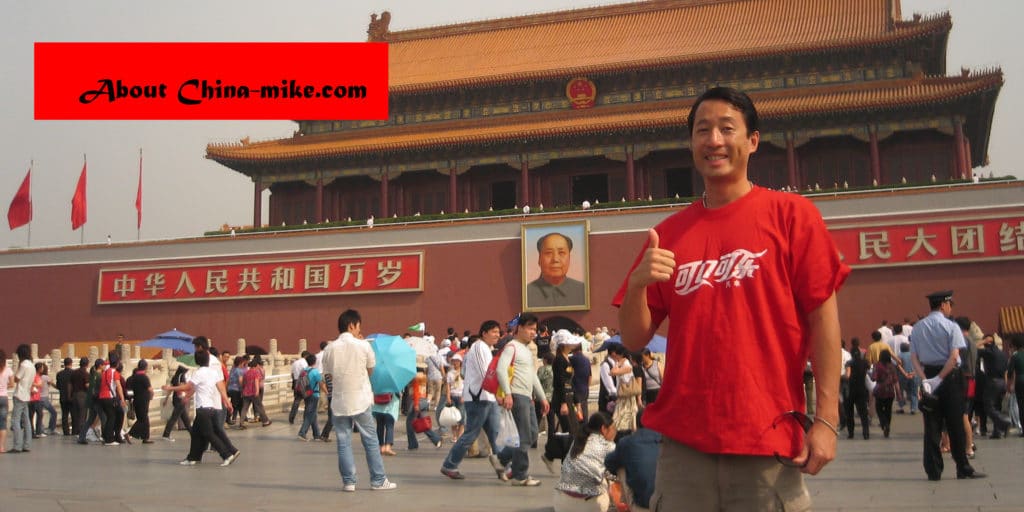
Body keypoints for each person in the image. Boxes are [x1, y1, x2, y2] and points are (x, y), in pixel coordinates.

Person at [615, 86, 848, 510]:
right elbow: (633, 337)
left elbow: (824, 320)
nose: (714, 141)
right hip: (684, 449)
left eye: (727, 128)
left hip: (767, 441)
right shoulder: (668, 235)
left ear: (753, 141)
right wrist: (636, 286)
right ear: (691, 144)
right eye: (703, 130)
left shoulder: (792, 216)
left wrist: (827, 421)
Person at [909, 290, 984, 480]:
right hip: (950, 378)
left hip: (929, 376)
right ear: (943, 305)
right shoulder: (951, 326)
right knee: (955, 424)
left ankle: (933, 470)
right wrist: (940, 378)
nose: (950, 308)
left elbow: (914, 358)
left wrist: (926, 379)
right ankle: (962, 466)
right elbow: (954, 357)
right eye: (950, 305)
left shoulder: (918, 328)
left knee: (931, 425)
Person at [321, 308, 397, 491]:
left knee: (343, 441)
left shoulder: (329, 348)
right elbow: (371, 370)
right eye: (358, 326)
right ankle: (378, 480)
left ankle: (349, 481)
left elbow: (328, 376)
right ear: (352, 325)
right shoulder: (363, 345)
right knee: (370, 440)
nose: (358, 330)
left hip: (339, 401)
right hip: (360, 399)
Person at [440, 321, 504, 480]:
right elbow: (486, 373)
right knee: (471, 434)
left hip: (487, 397)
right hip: (479, 398)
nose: (497, 335)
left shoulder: (485, 348)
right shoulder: (480, 347)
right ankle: (449, 465)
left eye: (498, 332)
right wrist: (498, 393)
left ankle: (504, 466)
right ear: (484, 333)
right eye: (494, 332)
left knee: (496, 433)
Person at [493, 312, 550, 487]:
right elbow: (501, 370)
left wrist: (542, 398)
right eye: (530, 328)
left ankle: (501, 458)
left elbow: (532, 376)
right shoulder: (512, 347)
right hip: (517, 395)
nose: (534, 332)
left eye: (535, 329)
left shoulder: (526, 350)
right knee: (525, 436)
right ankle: (520, 475)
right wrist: (508, 393)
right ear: (520, 328)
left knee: (532, 434)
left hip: (527, 396)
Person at [162, 350, 240, 467]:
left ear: (197, 361)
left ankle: (226, 454)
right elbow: (220, 387)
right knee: (195, 434)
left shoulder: (198, 373)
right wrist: (227, 402)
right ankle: (193, 457)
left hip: (203, 408)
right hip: (211, 408)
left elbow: (189, 386)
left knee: (209, 434)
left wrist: (171, 388)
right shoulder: (213, 373)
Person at [552, 411, 617, 512]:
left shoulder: (578, 440)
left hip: (561, 503)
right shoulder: (609, 446)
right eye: (614, 429)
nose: (615, 432)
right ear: (604, 429)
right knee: (607, 479)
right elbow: (616, 474)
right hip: (590, 506)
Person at [543, 330, 583, 471]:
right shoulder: (559, 360)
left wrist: (577, 403)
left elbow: (571, 382)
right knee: (570, 431)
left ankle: (550, 455)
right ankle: (566, 464)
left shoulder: (568, 359)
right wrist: (563, 403)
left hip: (569, 397)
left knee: (574, 430)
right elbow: (559, 382)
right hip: (562, 399)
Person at [605, 411, 662, 511]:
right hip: (665, 503)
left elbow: (609, 463)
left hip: (643, 504)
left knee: (620, 466)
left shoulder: (627, 442)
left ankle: (624, 502)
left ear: (637, 424)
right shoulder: (666, 440)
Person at [526, 232, 586, 308]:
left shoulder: (583, 291)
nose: (555, 259)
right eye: (548, 253)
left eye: (561, 253)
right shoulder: (527, 293)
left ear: (570, 258)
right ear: (539, 259)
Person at [976, 334, 1012, 439]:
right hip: (1002, 382)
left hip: (993, 382)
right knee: (997, 407)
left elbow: (973, 347)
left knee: (988, 407)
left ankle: (1004, 422)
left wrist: (983, 342)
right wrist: (1006, 385)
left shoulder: (988, 352)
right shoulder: (1003, 354)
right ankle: (997, 432)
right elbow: (1006, 371)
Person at [406, 370, 443, 449]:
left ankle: (413, 444)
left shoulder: (415, 377)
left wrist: (416, 404)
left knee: (409, 424)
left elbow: (416, 392)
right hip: (423, 401)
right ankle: (436, 440)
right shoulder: (424, 377)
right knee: (423, 424)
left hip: (416, 401)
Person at [297, 353, 328, 441]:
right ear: (315, 361)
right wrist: (327, 392)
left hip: (306, 394)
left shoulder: (303, 370)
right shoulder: (315, 371)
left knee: (313, 414)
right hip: (314, 395)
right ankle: (302, 433)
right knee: (310, 414)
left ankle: (316, 435)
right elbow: (321, 383)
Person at [97, 354, 126, 446]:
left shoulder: (105, 372)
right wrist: (122, 399)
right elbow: (118, 386)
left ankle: (112, 436)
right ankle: (109, 439)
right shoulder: (115, 373)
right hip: (109, 397)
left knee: (116, 414)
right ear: (117, 364)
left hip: (102, 397)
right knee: (112, 417)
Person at [871, 350, 899, 438]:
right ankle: (887, 425)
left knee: (879, 409)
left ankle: (883, 423)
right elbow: (895, 381)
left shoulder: (877, 365)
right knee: (888, 410)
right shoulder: (892, 366)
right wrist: (899, 394)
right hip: (890, 391)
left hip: (880, 391)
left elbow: (874, 378)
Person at [126, 360, 154, 443]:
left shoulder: (133, 378)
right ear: (145, 367)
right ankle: (129, 434)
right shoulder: (144, 377)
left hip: (136, 400)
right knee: (143, 419)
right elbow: (150, 389)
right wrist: (152, 395)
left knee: (144, 419)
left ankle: (145, 437)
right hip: (143, 400)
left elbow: (129, 390)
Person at [162, 365, 191, 441]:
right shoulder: (181, 376)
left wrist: (166, 399)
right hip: (180, 399)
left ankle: (193, 433)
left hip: (175, 399)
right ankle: (166, 434)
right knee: (174, 417)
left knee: (185, 418)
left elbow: (170, 389)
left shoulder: (175, 377)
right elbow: (182, 387)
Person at [372, 392, 400, 456]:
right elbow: (397, 393)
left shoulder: (377, 382)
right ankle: (387, 447)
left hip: (378, 406)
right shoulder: (393, 383)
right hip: (390, 408)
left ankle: (381, 447)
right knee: (389, 426)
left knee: (379, 426)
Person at [1007, 335, 1024, 437]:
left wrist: (1009, 385)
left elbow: (1010, 372)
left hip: (1020, 381)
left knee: (1021, 406)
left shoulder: (1015, 356)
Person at [288, 350, 310, 425]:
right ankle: (306, 418)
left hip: (295, 381)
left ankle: (291, 417)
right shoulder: (305, 363)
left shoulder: (295, 363)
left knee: (296, 400)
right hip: (303, 382)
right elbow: (306, 373)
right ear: (306, 356)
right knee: (307, 401)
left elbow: (292, 374)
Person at [70, 357, 90, 437]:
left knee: (75, 414)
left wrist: (70, 395)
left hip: (74, 394)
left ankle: (74, 431)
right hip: (82, 394)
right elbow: (87, 385)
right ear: (87, 364)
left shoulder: (74, 372)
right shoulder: (86, 373)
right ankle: (81, 431)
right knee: (82, 414)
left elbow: (70, 384)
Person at [55, 357, 75, 436]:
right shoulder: (74, 373)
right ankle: (74, 431)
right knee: (74, 415)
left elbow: (58, 386)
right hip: (72, 397)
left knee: (64, 415)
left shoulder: (59, 374)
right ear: (71, 363)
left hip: (63, 397)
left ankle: (66, 432)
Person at [0, 350, 12, 453]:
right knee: (3, 424)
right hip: (4, 398)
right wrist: (4, 386)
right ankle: (2, 447)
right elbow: (12, 384)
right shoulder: (8, 369)